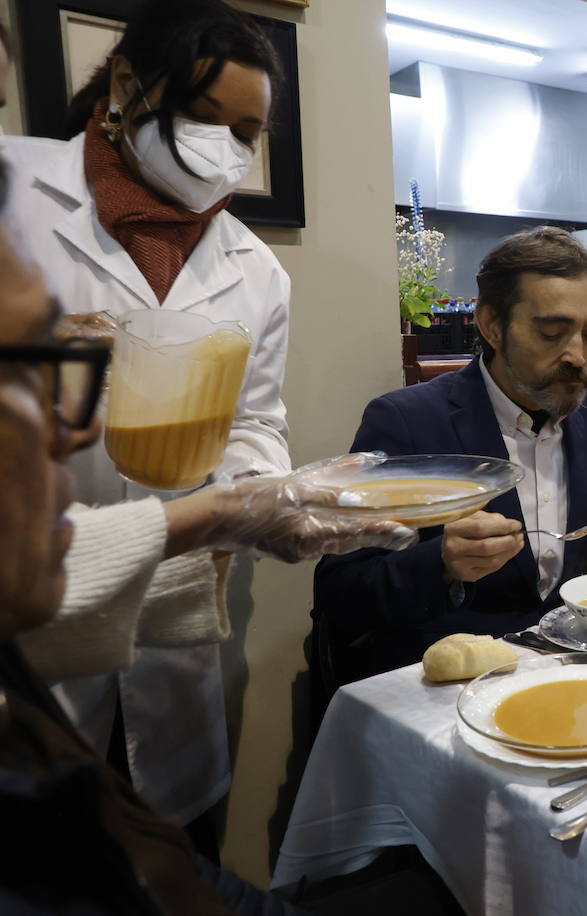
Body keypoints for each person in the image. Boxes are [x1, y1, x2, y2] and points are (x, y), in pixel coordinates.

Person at [1, 0, 293, 847]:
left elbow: (258, 421)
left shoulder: (256, 269)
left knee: (172, 855)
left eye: (246, 133)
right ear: (127, 84)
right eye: (203, 118)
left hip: (173, 638)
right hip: (32, 629)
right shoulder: (16, 192)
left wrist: (249, 497)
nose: (224, 149)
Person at [0, 217, 305, 913]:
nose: (82, 435)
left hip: (154, 700)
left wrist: (228, 508)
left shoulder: (252, 264)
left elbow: (252, 420)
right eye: (32, 382)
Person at [313, 227, 587, 685]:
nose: (577, 356)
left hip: (572, 671)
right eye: (553, 332)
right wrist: (443, 564)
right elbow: (341, 593)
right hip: (450, 690)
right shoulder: (408, 422)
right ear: (491, 325)